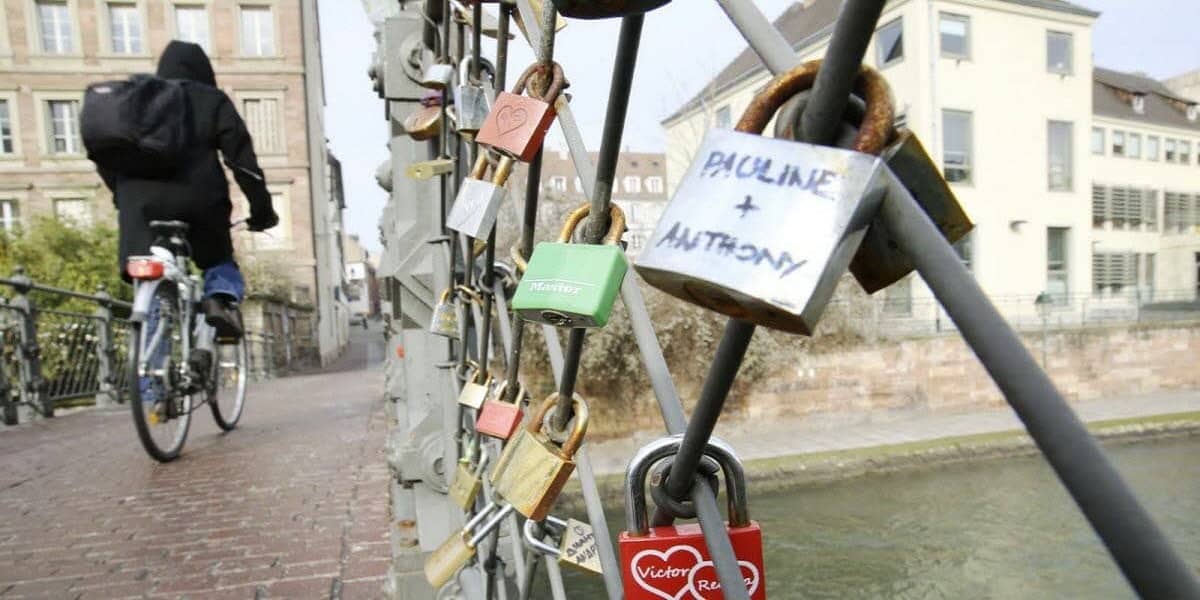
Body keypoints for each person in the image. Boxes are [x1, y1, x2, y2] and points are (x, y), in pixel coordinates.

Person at [98, 40, 278, 339]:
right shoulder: (210, 98)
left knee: (153, 282)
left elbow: (104, 151)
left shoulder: (135, 99)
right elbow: (243, 163)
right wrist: (263, 212)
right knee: (219, 262)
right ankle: (218, 298)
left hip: (140, 208)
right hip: (199, 201)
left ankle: (150, 379)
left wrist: (122, 196)